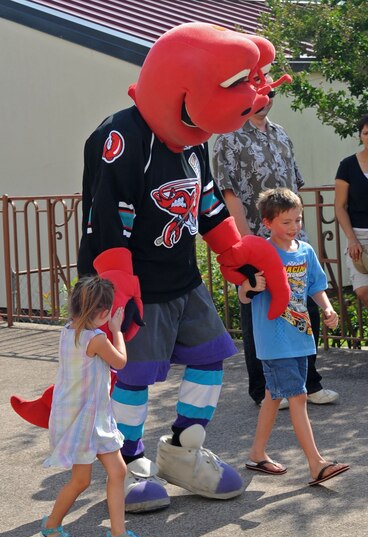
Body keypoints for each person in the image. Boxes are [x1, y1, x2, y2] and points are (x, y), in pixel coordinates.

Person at [11, 23, 293, 512]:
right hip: (134, 286)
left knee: (209, 356)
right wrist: (118, 287)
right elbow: (105, 218)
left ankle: (183, 450)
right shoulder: (121, 136)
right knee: (135, 374)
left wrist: (233, 252)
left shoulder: (196, 138)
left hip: (183, 277)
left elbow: (206, 206)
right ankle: (129, 458)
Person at [212, 86, 339, 409]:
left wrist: (297, 231)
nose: (264, 100)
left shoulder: (281, 134)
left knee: (305, 307)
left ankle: (308, 382)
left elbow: (294, 186)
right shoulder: (228, 136)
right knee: (259, 311)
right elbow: (229, 194)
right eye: (258, 94)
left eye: (269, 94)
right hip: (255, 241)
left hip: (293, 241)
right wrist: (245, 245)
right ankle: (264, 389)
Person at [238, 188, 349, 485]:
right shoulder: (259, 252)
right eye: (286, 222)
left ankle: (257, 454)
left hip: (300, 337)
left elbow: (315, 285)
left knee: (273, 396)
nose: (294, 227)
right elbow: (243, 295)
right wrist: (251, 284)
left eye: (297, 220)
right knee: (298, 396)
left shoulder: (305, 250)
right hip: (274, 342)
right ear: (267, 223)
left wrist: (327, 308)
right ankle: (317, 463)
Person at [40, 276, 155, 537]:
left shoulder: (68, 331)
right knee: (81, 480)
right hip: (83, 421)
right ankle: (51, 526)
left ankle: (118, 534)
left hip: (91, 417)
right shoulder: (97, 338)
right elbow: (121, 362)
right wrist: (116, 330)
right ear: (104, 313)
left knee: (118, 470)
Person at [335, 113, 368, 307]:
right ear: (360, 136)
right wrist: (351, 238)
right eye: (366, 133)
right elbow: (339, 206)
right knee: (363, 291)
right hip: (358, 237)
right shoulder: (347, 165)